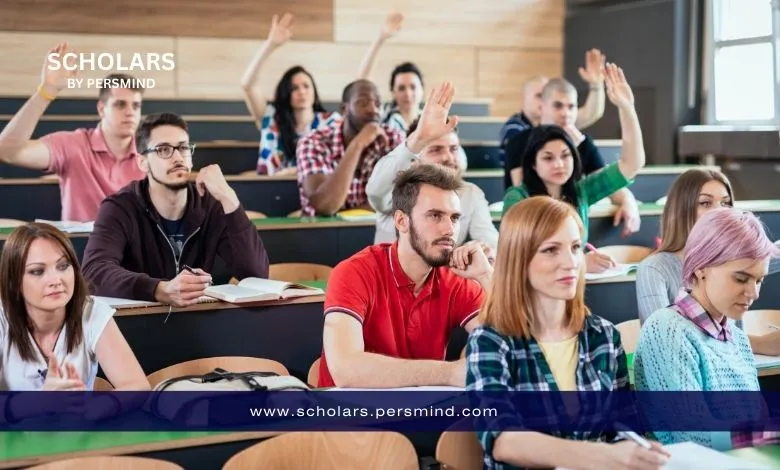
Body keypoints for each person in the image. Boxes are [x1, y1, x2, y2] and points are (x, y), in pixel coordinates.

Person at [466, 196, 668, 470]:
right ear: (518, 260)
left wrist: (639, 451)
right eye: (551, 250)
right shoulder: (490, 340)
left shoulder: (604, 336)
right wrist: (602, 457)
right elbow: (502, 439)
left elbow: (624, 426)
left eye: (575, 247)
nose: (571, 262)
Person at [319, 163, 493, 388]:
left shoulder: (456, 277)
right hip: (348, 416)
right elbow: (347, 370)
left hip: (423, 414)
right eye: (435, 216)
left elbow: (514, 347)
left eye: (455, 218)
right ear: (401, 221)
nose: (449, 229)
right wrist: (450, 373)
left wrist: (486, 275)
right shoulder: (354, 272)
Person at [81, 113, 270, 305]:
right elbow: (94, 271)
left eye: (183, 148)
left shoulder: (211, 203)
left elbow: (256, 276)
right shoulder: (120, 207)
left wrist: (229, 198)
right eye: (164, 150)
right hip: (140, 324)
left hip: (198, 321)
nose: (178, 157)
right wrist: (159, 289)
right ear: (142, 162)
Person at [634, 208, 780, 450]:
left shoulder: (736, 338)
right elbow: (694, 437)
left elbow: (758, 421)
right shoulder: (667, 330)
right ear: (701, 268)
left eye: (759, 280)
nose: (754, 293)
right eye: (741, 278)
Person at [503, 64, 644, 273]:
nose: (559, 164)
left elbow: (631, 165)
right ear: (533, 163)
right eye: (548, 158)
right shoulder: (517, 197)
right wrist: (580, 263)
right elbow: (519, 256)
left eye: (566, 155)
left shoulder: (580, 191)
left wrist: (627, 108)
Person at [636, 168, 780, 354]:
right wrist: (759, 343)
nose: (719, 211)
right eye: (705, 203)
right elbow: (663, 343)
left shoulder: (740, 258)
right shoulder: (654, 268)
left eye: (726, 203)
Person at [0, 43, 145, 222]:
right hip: (81, 248)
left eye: (136, 106)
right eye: (120, 104)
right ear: (101, 109)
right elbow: (7, 152)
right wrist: (47, 90)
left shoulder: (150, 152)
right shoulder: (73, 145)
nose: (130, 112)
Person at [0, 222, 148, 392]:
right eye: (38, 271)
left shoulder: (92, 311)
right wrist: (39, 404)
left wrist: (90, 408)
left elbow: (138, 388)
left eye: (63, 266)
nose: (56, 280)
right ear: (14, 281)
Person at [366, 82, 498, 250]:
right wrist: (418, 139)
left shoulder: (471, 193)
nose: (448, 157)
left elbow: (492, 243)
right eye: (436, 150)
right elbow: (374, 191)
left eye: (453, 149)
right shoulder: (397, 189)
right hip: (389, 275)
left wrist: (483, 250)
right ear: (415, 160)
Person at [356, 12, 469, 170]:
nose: (408, 93)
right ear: (393, 91)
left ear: (422, 90)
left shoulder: (435, 119)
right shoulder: (383, 118)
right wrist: (381, 38)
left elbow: (460, 162)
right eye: (401, 88)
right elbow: (362, 85)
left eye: (413, 87)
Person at [241, 13, 340, 176]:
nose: (301, 91)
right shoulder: (272, 117)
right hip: (268, 193)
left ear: (314, 91)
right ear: (286, 93)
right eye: (294, 88)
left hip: (314, 196)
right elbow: (247, 85)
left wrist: (291, 173)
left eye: (306, 86)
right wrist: (270, 45)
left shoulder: (331, 123)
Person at [296, 79, 405, 216]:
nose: (373, 110)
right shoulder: (313, 142)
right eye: (363, 103)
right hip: (322, 234)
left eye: (378, 104)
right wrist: (357, 144)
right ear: (344, 109)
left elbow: (399, 202)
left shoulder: (393, 139)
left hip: (377, 234)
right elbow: (325, 205)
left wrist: (347, 213)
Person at [499, 49, 608, 164]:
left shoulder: (556, 121)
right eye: (540, 95)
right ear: (523, 100)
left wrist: (596, 85)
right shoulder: (515, 130)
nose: (565, 113)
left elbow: (590, 114)